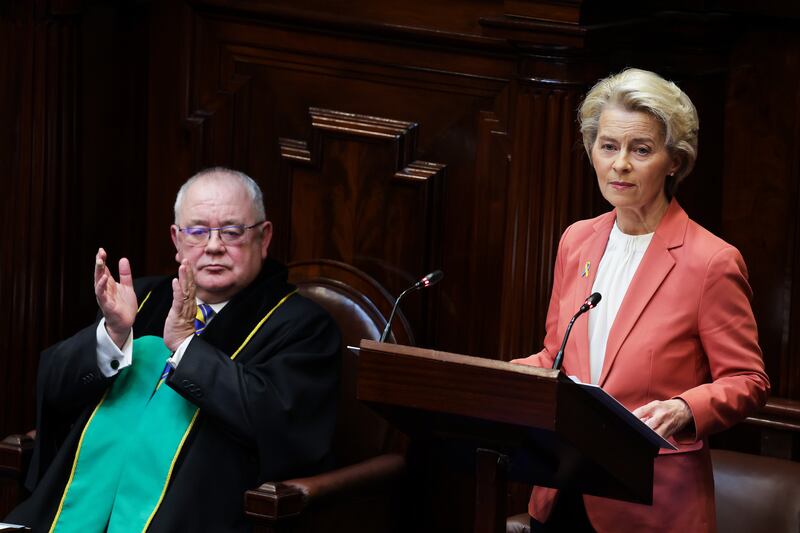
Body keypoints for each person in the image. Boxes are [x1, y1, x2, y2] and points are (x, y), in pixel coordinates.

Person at [5, 168, 341, 532]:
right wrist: (112, 335)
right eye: (197, 231)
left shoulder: (302, 326)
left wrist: (186, 348)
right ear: (177, 240)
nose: (214, 246)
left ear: (264, 237)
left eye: (231, 231)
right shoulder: (141, 300)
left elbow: (280, 423)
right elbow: (52, 389)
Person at [511, 69, 770, 532]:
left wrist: (685, 408)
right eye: (608, 146)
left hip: (650, 504)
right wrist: (501, 379)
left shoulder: (711, 262)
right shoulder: (576, 241)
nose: (620, 164)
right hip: (560, 490)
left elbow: (748, 379)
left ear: (674, 161)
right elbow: (557, 356)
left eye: (641, 149)